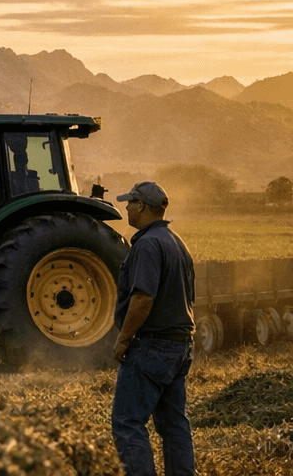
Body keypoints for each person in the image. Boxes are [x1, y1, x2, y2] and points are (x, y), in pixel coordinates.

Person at [111, 180, 196, 476]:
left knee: (128, 423)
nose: (126, 208)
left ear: (143, 207)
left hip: (152, 346)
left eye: (130, 203)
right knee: (174, 424)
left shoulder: (147, 244)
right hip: (180, 345)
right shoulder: (176, 241)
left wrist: (123, 339)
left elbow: (143, 298)